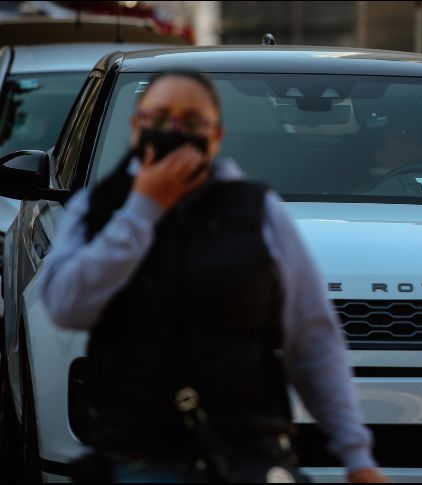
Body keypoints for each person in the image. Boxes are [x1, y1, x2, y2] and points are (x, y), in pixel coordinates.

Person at [37, 71, 388, 483]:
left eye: (191, 122)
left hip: (247, 454)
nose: (174, 131)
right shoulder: (96, 208)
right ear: (136, 128)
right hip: (135, 457)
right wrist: (142, 211)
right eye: (160, 118)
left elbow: (313, 341)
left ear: (216, 136)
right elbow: (65, 306)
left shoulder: (259, 211)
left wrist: (357, 457)